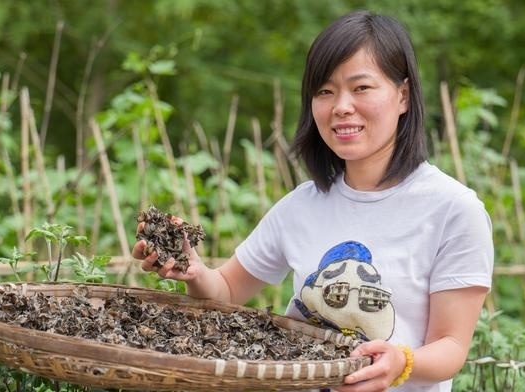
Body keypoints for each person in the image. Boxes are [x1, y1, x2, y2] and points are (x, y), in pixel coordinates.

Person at [132, 10, 493, 392]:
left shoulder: (454, 209)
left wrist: (401, 361)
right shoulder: (303, 204)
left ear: (403, 96)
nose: (341, 106)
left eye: (361, 88)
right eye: (324, 91)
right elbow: (226, 289)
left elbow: (452, 346)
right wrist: (193, 269)